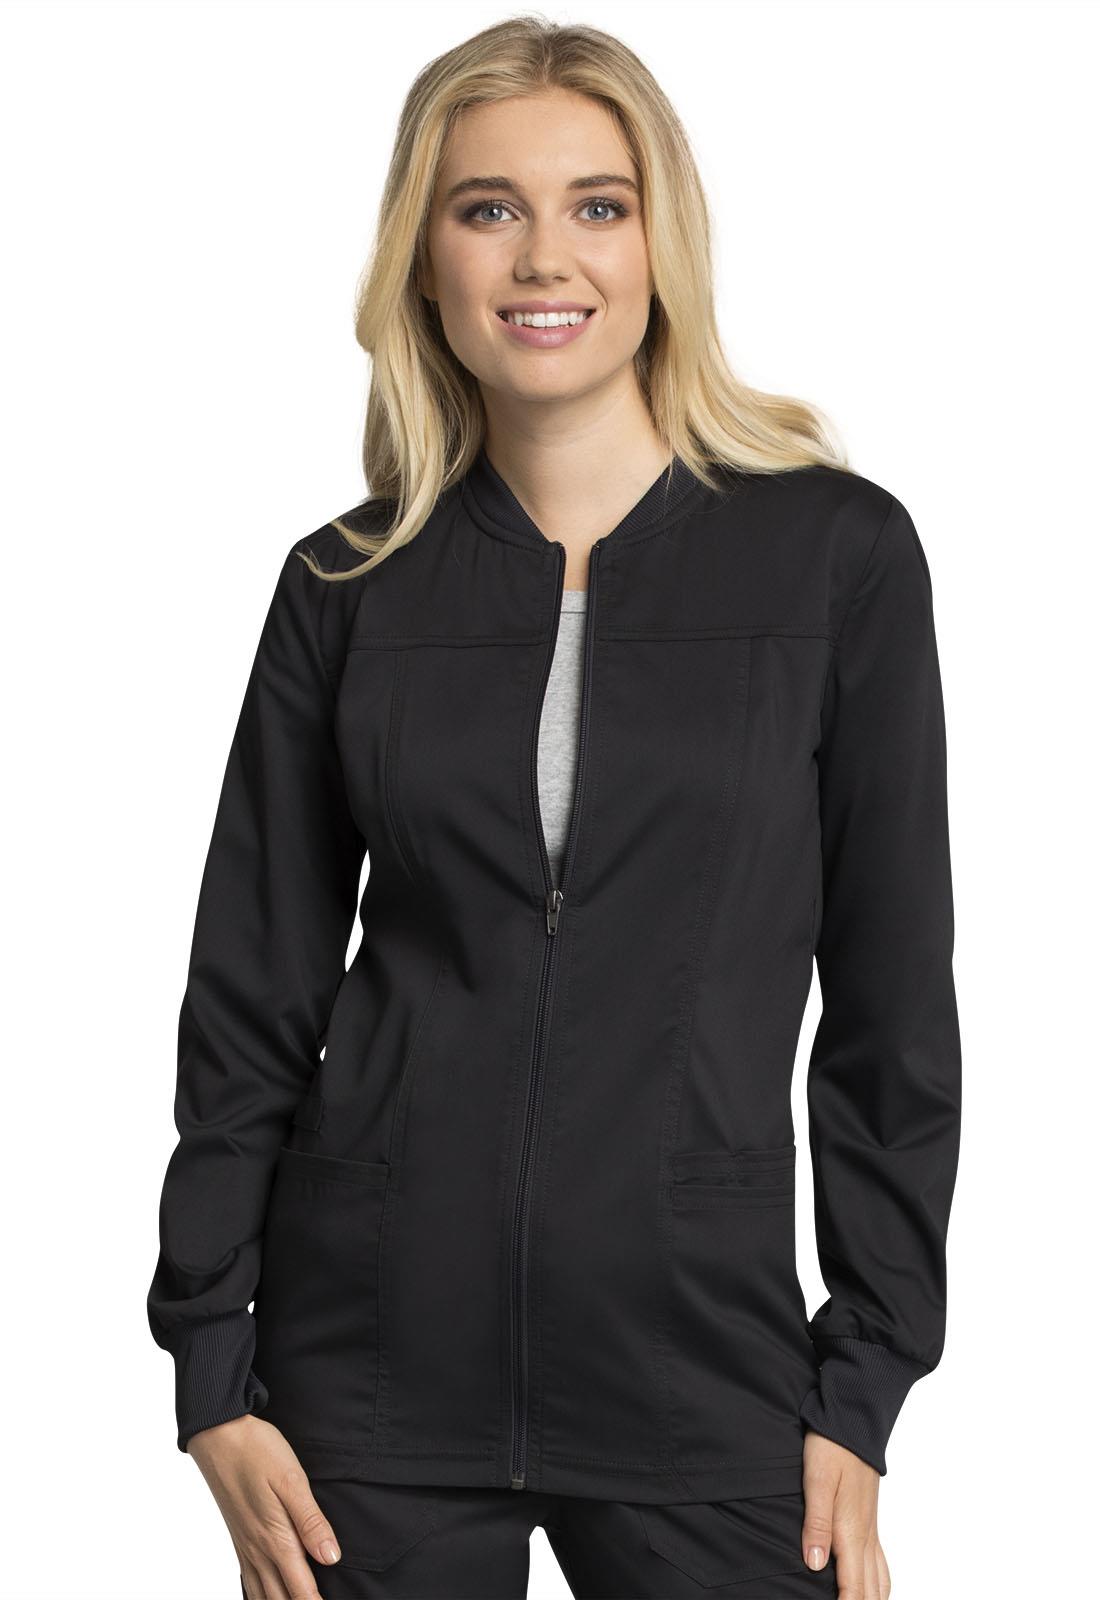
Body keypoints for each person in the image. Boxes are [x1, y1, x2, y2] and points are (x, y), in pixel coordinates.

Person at [146, 16, 962, 1600]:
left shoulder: (836, 561)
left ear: (662, 242)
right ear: (425, 257)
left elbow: (891, 1015)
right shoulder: (347, 585)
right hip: (367, 1384)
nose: (544, 257)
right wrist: (210, 1373)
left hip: (704, 1372)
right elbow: (250, 1001)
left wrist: (864, 1378)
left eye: (598, 203)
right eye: (487, 207)